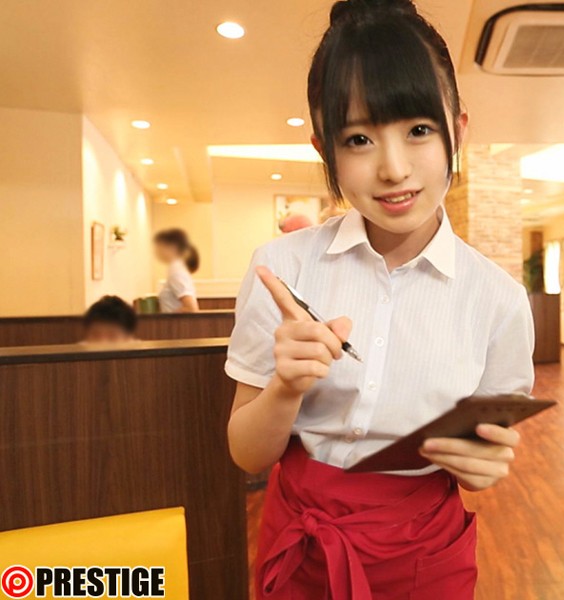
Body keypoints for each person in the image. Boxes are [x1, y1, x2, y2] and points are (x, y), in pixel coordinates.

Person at [225, 1, 535, 597]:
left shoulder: (499, 301)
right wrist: (286, 386)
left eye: (419, 130)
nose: (393, 169)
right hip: (303, 542)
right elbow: (247, 454)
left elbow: (482, 460)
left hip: (424, 551)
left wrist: (484, 466)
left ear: (457, 131)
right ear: (325, 150)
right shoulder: (282, 269)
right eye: (359, 138)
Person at [153, 228, 200, 313]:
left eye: (159, 247)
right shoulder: (176, 268)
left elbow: (191, 308)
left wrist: (168, 317)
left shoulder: (176, 271)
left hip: (177, 322)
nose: (156, 251)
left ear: (172, 247)